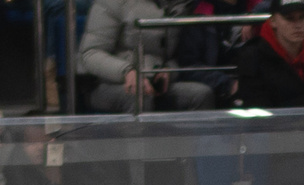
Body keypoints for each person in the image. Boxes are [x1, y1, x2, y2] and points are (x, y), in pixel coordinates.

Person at [77, 0, 207, 113]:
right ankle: (137, 142)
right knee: (139, 96)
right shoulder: (113, 2)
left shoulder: (180, 5)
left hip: (154, 82)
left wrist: (168, 70)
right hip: (106, 83)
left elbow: (178, 55)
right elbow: (90, 53)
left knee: (201, 94)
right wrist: (127, 71)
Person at [234, 0, 304, 110]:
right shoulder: (253, 58)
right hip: (274, 126)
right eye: (289, 18)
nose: (298, 25)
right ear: (273, 21)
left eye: (302, 17)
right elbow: (256, 111)